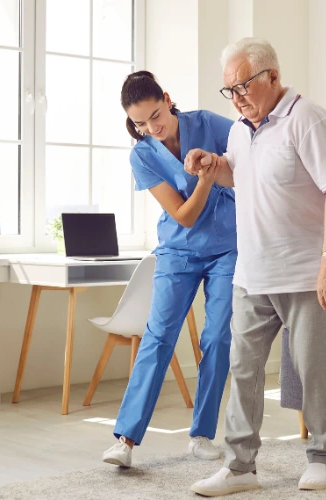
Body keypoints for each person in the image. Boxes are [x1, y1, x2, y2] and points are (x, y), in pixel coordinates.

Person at [185, 38, 326, 495]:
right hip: (252, 274)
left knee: (314, 369)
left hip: (305, 274)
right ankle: (240, 467)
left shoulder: (308, 119)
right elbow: (242, 176)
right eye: (229, 90)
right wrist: (213, 165)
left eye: (243, 86)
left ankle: (323, 458)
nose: (236, 97)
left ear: (272, 77)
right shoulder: (240, 130)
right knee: (243, 369)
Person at [102, 71, 237, 468]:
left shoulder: (210, 124)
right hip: (178, 251)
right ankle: (125, 440)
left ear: (167, 98)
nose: (152, 128)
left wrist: (219, 167)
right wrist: (207, 181)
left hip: (228, 248)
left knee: (216, 338)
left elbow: (253, 148)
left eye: (156, 115)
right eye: (141, 123)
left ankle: (201, 435)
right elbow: (183, 215)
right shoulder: (142, 154)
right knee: (158, 337)